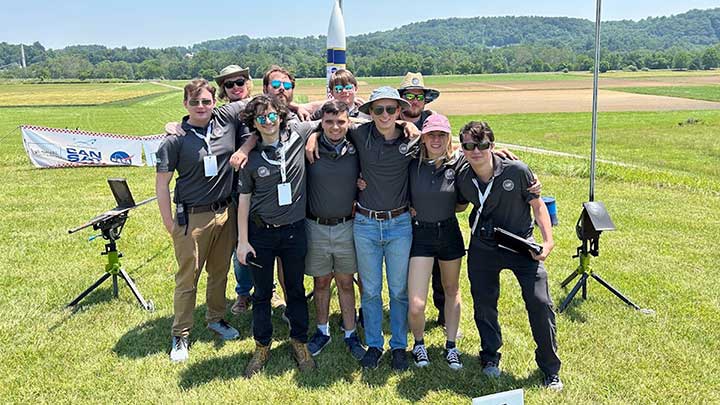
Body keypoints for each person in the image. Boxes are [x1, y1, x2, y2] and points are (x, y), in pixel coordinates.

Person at [455, 121, 563, 391]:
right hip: (483, 247)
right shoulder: (462, 175)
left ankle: (550, 369)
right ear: (463, 148)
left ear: (492, 145)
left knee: (540, 303)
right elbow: (457, 201)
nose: (476, 151)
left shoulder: (516, 170)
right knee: (484, 304)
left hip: (521, 246)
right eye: (469, 145)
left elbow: (538, 207)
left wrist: (547, 242)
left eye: (482, 145)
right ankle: (490, 356)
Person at [155, 79, 243, 363]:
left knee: (219, 273)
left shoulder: (226, 122)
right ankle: (180, 333)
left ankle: (216, 318)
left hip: (225, 213)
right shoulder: (175, 139)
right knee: (187, 278)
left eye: (206, 101)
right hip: (192, 216)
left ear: (215, 102)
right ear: (185, 105)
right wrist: (169, 224)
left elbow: (265, 101)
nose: (201, 107)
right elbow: (162, 184)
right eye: (195, 103)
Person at [235, 94, 315, 377]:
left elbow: (334, 117)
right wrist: (243, 241)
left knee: (295, 290)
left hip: (294, 231)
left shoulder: (298, 134)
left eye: (272, 116)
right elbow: (243, 200)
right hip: (261, 234)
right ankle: (261, 346)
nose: (267, 122)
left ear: (280, 116)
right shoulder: (249, 157)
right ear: (254, 124)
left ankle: (299, 342)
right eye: (261, 118)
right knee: (262, 294)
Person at [346, 86, 417, 371]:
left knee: (399, 290)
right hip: (365, 224)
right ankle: (374, 344)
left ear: (399, 111)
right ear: (369, 113)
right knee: (371, 290)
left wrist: (496, 150)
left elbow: (447, 146)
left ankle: (399, 345)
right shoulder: (359, 134)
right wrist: (313, 139)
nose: (385, 115)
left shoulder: (412, 139)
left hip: (399, 224)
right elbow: (324, 121)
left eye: (391, 109)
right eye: (378, 110)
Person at [304, 100, 366, 360]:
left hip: (346, 225)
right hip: (315, 225)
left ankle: (350, 333)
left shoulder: (356, 147)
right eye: (328, 122)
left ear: (348, 122)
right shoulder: (309, 147)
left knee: (345, 282)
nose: (335, 127)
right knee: (320, 282)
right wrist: (313, 136)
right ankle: (322, 330)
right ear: (321, 123)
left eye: (340, 121)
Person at [406, 114, 466, 370]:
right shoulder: (411, 164)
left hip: (449, 232)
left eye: (442, 135)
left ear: (449, 138)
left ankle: (451, 345)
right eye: (431, 134)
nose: (436, 139)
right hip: (421, 234)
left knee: (451, 290)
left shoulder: (458, 164)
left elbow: (462, 204)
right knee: (417, 304)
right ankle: (418, 343)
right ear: (423, 137)